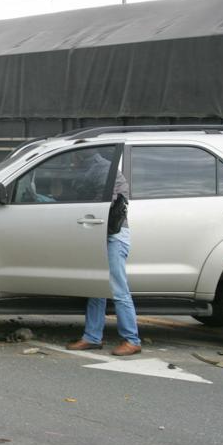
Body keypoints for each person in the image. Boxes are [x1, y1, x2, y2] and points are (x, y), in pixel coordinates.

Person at [66, 149, 141, 357]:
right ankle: (92, 337)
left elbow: (103, 200)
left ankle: (132, 339)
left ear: (80, 155)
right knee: (97, 287)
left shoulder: (100, 170)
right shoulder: (95, 168)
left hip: (113, 235)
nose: (72, 159)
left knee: (118, 288)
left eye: (74, 155)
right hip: (103, 233)